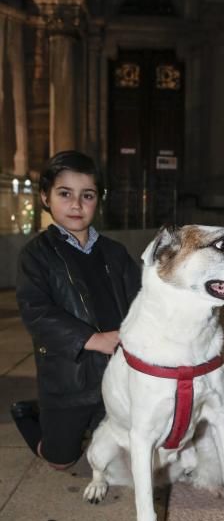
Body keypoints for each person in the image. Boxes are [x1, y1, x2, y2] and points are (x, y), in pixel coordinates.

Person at [10, 150, 141, 470]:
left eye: (87, 195)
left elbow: (141, 300)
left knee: (111, 456)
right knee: (62, 459)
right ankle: (31, 417)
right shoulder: (36, 255)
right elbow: (37, 312)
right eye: (64, 194)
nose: (76, 205)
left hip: (115, 373)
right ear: (45, 196)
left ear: (99, 199)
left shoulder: (115, 252)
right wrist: (93, 339)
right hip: (67, 377)